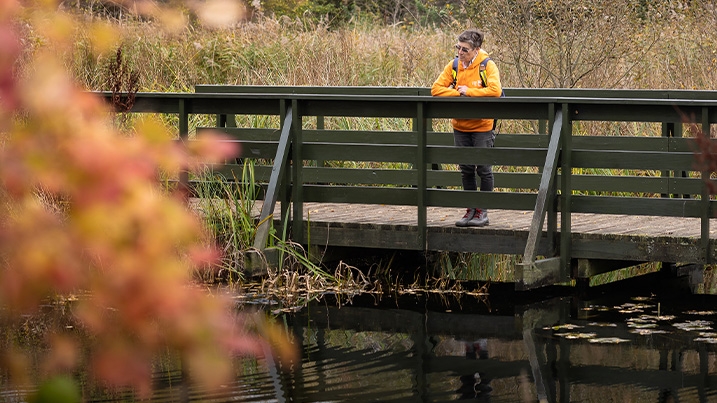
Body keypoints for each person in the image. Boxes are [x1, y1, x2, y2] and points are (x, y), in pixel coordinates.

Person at [431, 29, 502, 227]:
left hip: (482, 126)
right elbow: (436, 89)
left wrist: (470, 91)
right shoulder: (454, 65)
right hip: (460, 125)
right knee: (466, 169)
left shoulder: (487, 65)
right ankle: (470, 210)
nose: (460, 52)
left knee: (484, 169)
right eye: (458, 48)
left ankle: (482, 211)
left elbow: (495, 90)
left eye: (465, 49)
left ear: (476, 50)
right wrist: (458, 93)